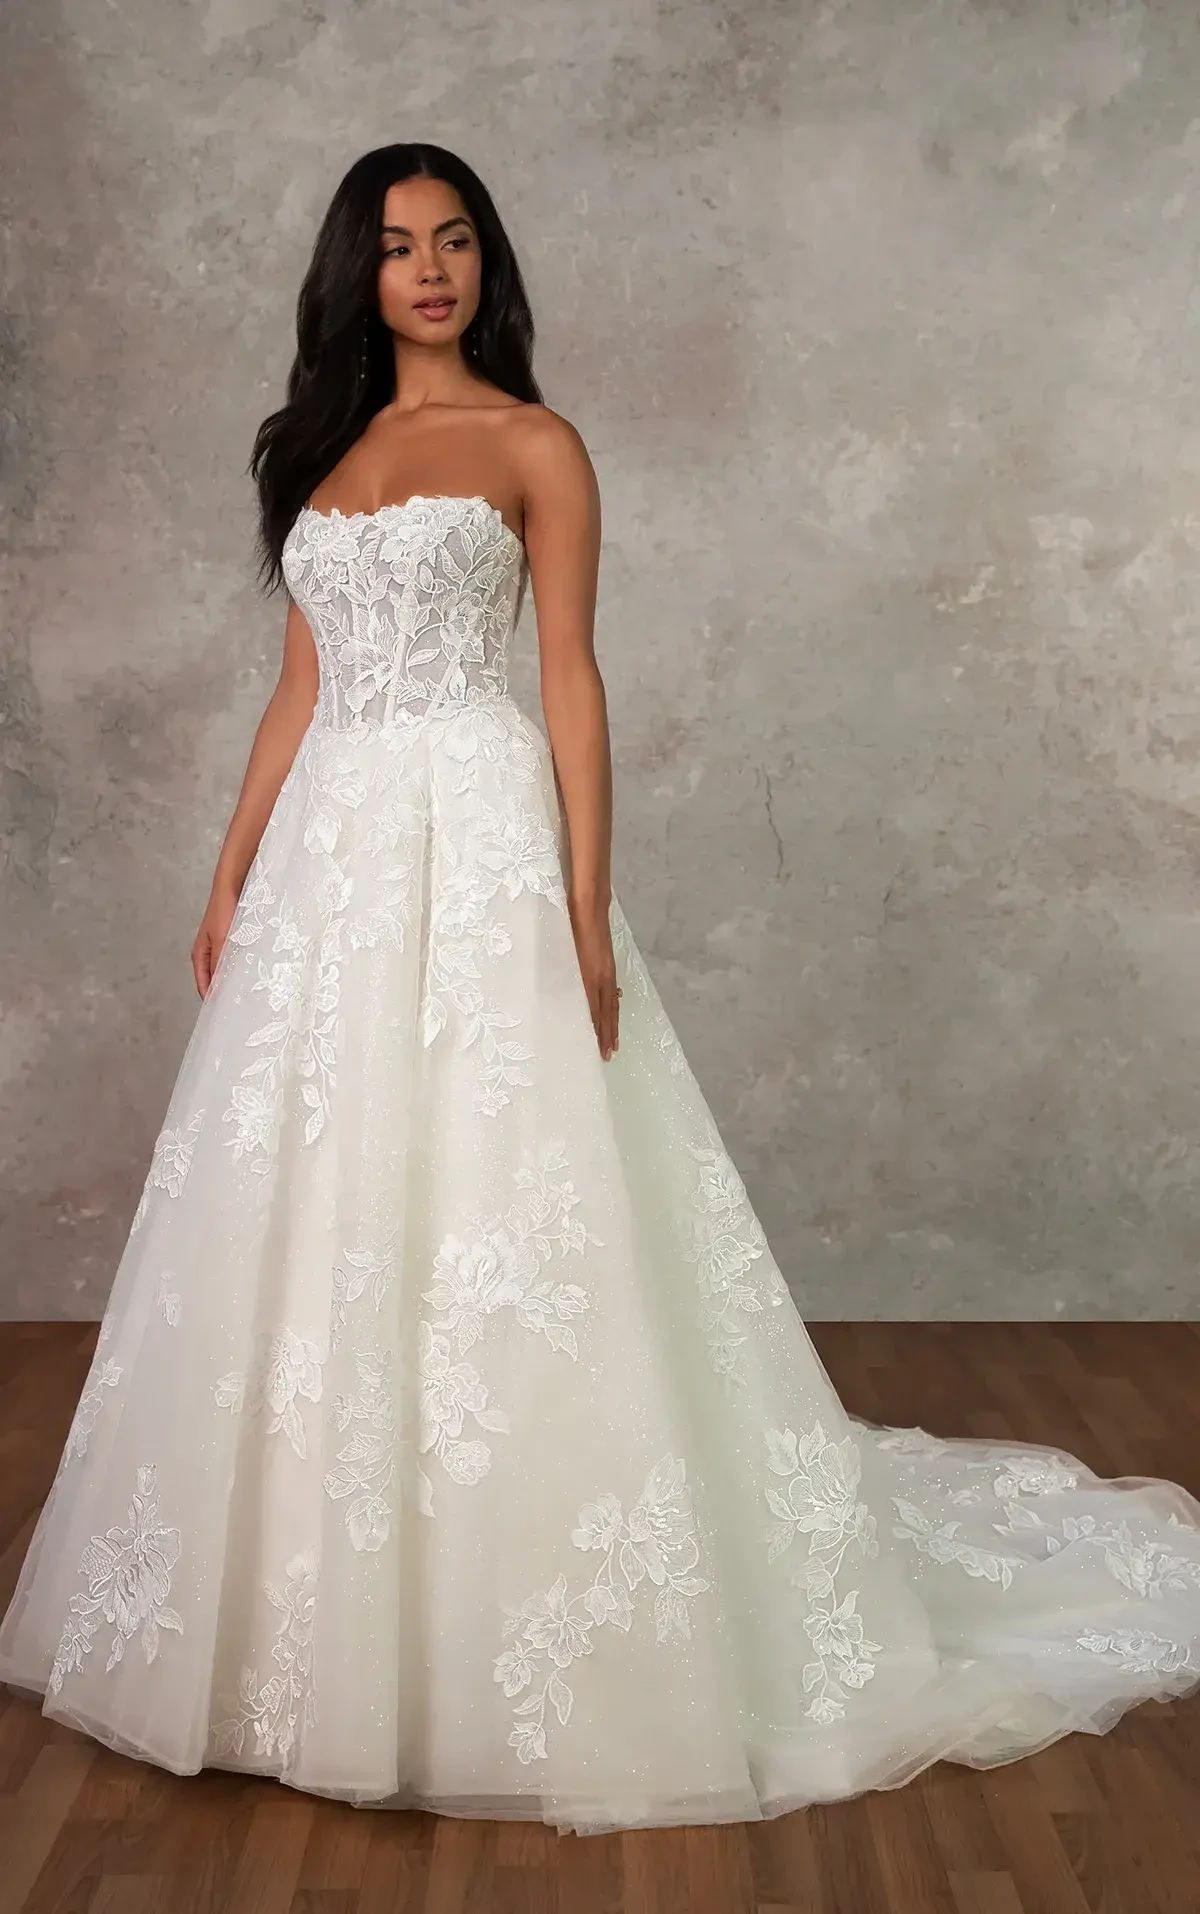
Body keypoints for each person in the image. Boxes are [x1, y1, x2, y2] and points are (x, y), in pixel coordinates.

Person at [2, 142, 1198, 1839]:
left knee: (507, 1198)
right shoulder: (320, 454)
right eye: (401, 245)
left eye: (457, 241)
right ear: (358, 269)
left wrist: (581, 897)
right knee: (320, 1208)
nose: (431, 269)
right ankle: (308, 1627)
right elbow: (299, 688)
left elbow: (569, 676)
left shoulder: (533, 444)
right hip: (338, 853)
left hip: (476, 839)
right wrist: (228, 866)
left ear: (488, 264)